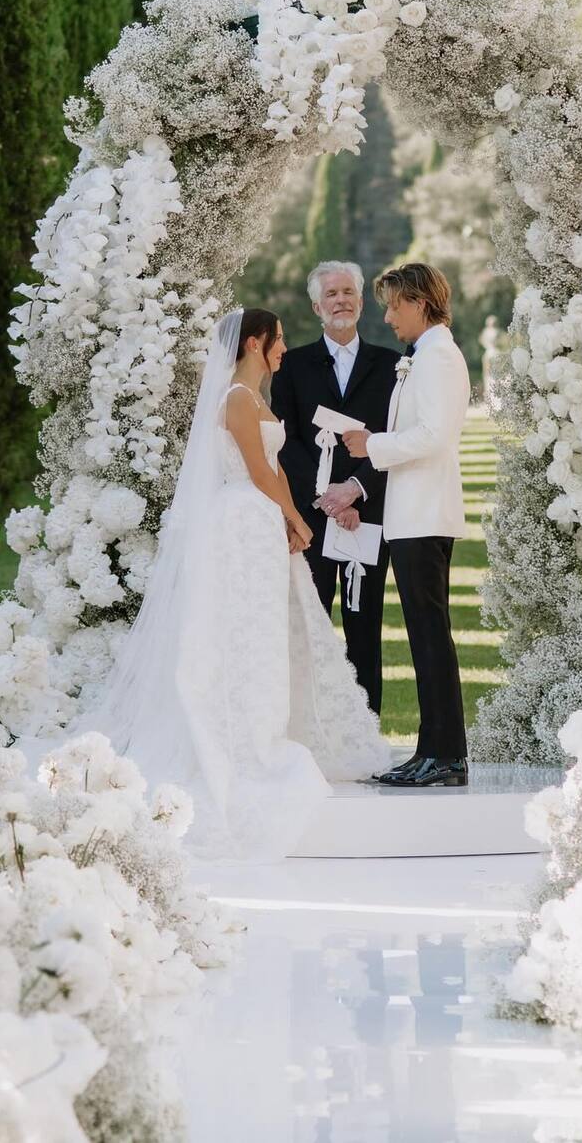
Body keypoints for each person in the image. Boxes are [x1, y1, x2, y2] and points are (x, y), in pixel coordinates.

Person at [72, 309, 388, 859]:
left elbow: (278, 467)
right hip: (243, 520)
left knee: (266, 630)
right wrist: (295, 518)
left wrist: (289, 514)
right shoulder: (237, 400)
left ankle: (269, 724)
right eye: (279, 339)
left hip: (260, 519)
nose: (285, 349)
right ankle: (242, 737)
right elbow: (259, 472)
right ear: (254, 342)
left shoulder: (255, 397)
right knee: (243, 630)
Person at [343, 265, 471, 788]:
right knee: (424, 637)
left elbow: (435, 436)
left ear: (420, 302)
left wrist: (372, 445)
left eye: (395, 305)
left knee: (430, 637)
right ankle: (432, 749)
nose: (388, 316)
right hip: (411, 515)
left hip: (424, 515)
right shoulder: (424, 356)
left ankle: (445, 756)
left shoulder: (439, 356)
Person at [271, 261, 399, 714]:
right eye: (332, 294)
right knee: (311, 624)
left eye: (348, 292)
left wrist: (356, 490)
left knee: (365, 625)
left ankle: (367, 732)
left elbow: (396, 437)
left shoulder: (393, 367)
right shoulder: (292, 366)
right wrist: (328, 497)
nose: (341, 301)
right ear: (316, 306)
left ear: (362, 302)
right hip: (313, 517)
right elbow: (286, 443)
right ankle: (310, 727)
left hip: (369, 511)